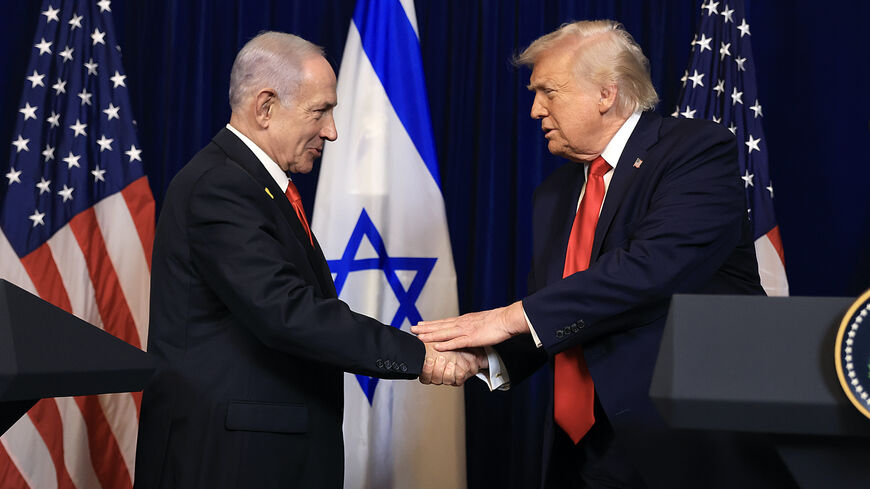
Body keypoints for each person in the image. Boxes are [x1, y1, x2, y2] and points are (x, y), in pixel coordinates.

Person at [413, 20, 793, 489]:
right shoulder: (554, 192)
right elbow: (559, 308)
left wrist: (510, 317)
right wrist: (486, 356)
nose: (534, 110)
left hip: (685, 446)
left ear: (606, 93)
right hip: (585, 452)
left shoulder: (695, 152)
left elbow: (651, 268)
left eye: (548, 91)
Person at [134, 32, 484, 489]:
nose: (332, 131)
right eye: (320, 111)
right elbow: (287, 313)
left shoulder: (251, 184)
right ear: (265, 107)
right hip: (227, 461)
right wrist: (419, 355)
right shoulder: (219, 186)